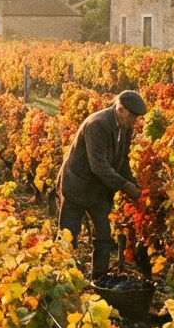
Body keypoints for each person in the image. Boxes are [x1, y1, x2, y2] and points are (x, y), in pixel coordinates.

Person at [58, 90, 147, 279]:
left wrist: (133, 183)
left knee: (104, 236)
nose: (135, 122)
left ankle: (99, 279)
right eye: (133, 117)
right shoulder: (97, 124)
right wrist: (125, 186)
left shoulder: (125, 127)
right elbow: (99, 165)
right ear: (121, 109)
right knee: (67, 237)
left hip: (99, 190)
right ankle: (61, 278)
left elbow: (122, 161)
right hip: (77, 186)